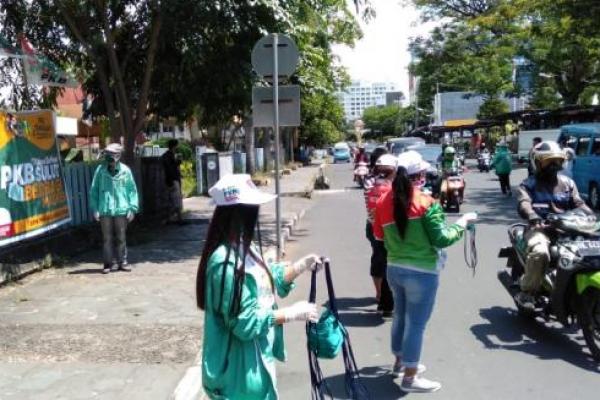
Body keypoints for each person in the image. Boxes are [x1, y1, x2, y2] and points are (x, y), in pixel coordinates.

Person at [197, 174, 324, 399]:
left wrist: (299, 267)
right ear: (240, 212)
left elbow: (266, 280)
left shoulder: (246, 246)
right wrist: (289, 313)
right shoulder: (224, 263)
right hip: (237, 370)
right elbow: (244, 323)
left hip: (256, 359)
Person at [373, 151, 476, 393]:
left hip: (394, 269)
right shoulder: (427, 203)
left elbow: (379, 235)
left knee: (400, 316)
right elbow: (441, 239)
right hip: (422, 273)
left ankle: (400, 363)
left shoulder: (382, 201)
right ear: (418, 176)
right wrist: (462, 223)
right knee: (416, 324)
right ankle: (410, 377)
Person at [515, 141, 594, 310]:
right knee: (540, 252)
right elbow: (524, 204)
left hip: (568, 230)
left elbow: (579, 204)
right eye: (548, 161)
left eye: (557, 161)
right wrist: (532, 215)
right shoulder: (528, 185)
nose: (554, 165)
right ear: (537, 162)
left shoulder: (567, 183)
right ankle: (526, 292)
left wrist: (593, 216)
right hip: (539, 229)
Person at [89, 143, 139, 274]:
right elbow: (94, 190)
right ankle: (108, 263)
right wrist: (95, 208)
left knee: (121, 237)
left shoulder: (125, 171)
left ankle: (123, 262)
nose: (108, 159)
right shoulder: (100, 170)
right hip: (104, 210)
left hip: (121, 210)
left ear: (117, 156)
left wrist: (132, 208)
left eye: (111, 156)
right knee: (107, 238)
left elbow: (132, 191)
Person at [364, 153, 397, 317]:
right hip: (389, 229)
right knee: (389, 263)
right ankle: (387, 300)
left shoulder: (371, 183)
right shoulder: (393, 186)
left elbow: (370, 210)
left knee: (380, 260)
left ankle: (382, 297)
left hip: (375, 227)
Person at [161, 139, 183, 224]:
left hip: (171, 180)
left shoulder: (168, 155)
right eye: (177, 145)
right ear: (174, 146)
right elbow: (170, 169)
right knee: (176, 200)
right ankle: (175, 219)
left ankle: (173, 219)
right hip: (173, 180)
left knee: (172, 201)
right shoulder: (169, 156)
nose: (178, 147)